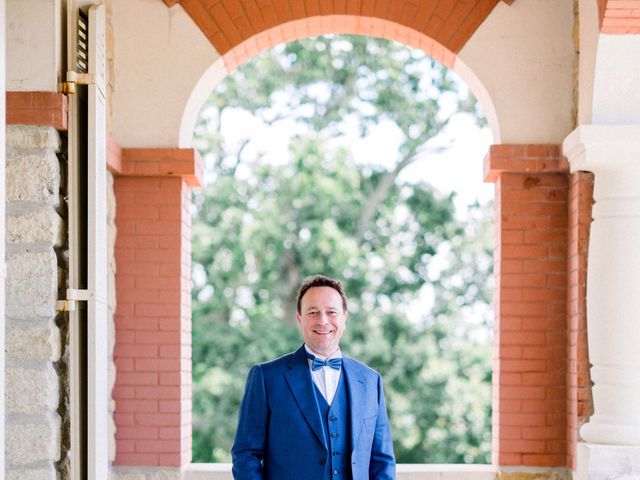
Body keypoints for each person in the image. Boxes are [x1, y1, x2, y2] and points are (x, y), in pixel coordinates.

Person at [231, 274, 396, 480]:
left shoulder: (371, 381)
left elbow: (382, 461)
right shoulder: (266, 378)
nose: (323, 320)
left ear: (344, 317)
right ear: (299, 318)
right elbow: (246, 455)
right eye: (313, 312)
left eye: (331, 312)